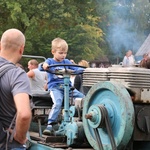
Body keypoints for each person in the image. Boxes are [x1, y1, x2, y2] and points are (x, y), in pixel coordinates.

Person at [40, 37, 85, 135]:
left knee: (84, 98)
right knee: (58, 103)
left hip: (68, 88)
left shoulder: (66, 62)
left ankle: (83, 120)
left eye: (65, 53)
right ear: (53, 52)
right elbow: (42, 66)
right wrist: (45, 66)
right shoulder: (50, 61)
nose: (63, 55)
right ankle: (50, 124)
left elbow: (76, 69)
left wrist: (84, 70)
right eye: (60, 53)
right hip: (56, 88)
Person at [0, 29, 32, 149]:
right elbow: (24, 114)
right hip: (6, 143)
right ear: (21, 49)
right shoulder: (16, 74)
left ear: (0, 45)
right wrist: (20, 137)